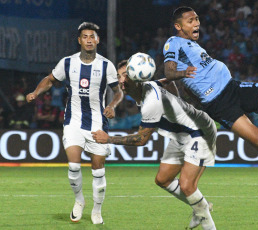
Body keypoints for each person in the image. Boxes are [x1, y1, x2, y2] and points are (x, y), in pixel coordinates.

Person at [163, 6, 258, 187]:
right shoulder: (173, 42)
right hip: (220, 104)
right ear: (178, 26)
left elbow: (190, 85)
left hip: (233, 87)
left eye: (197, 19)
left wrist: (194, 93)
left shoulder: (192, 44)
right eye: (190, 21)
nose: (196, 23)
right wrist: (183, 73)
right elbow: (169, 71)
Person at [92, 60, 217, 229]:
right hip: (181, 134)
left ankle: (206, 219)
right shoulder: (148, 86)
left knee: (187, 185)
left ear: (137, 77)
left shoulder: (151, 101)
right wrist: (178, 103)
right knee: (163, 179)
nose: (121, 80)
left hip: (199, 131)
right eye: (118, 76)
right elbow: (168, 81)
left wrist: (108, 139)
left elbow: (141, 139)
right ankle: (200, 208)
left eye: (125, 75)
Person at [26, 22, 123, 224]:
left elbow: (118, 91)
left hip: (97, 123)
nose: (89, 40)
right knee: (73, 165)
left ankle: (97, 210)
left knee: (98, 169)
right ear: (79, 40)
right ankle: (79, 201)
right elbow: (50, 79)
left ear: (98, 40)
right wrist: (36, 92)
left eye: (92, 36)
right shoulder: (67, 63)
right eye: (85, 36)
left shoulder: (106, 65)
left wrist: (113, 105)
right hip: (74, 121)